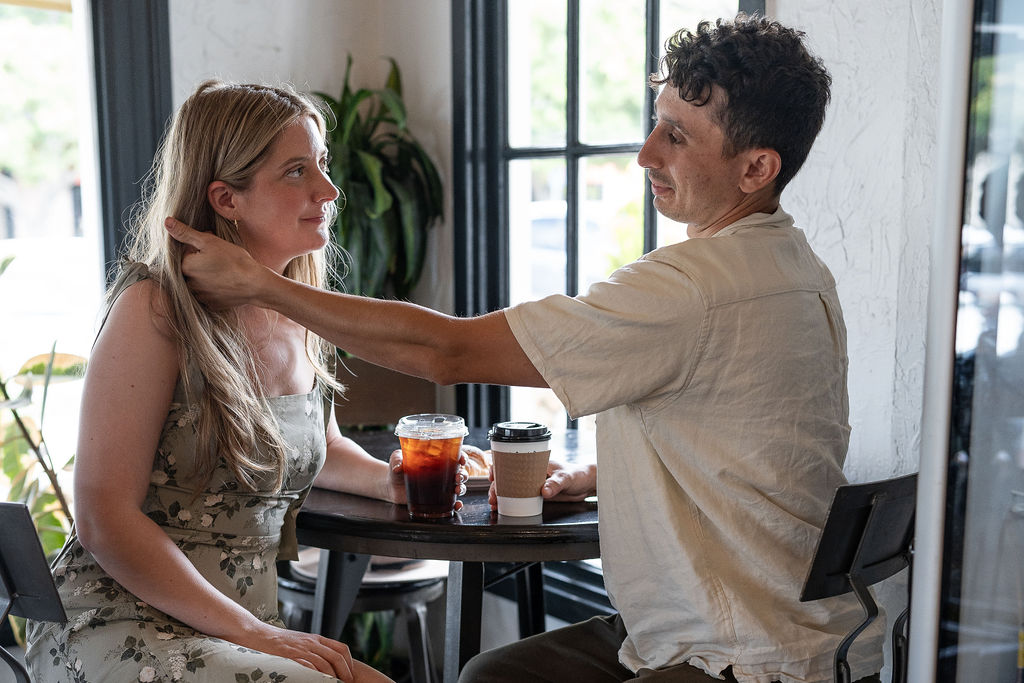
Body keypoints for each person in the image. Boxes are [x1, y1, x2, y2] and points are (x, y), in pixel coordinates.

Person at [166, 15, 884, 683]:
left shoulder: (696, 288)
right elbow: (761, 428)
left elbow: (448, 353)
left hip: (741, 655)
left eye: (676, 137)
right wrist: (610, 470)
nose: (645, 154)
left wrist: (263, 286)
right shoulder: (793, 267)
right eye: (655, 125)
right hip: (803, 634)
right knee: (492, 675)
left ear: (756, 168)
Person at [26, 80, 467, 683]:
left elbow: (319, 446)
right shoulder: (154, 309)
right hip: (122, 617)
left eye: (323, 164)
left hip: (245, 627)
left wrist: (390, 482)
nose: (329, 190)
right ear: (226, 198)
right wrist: (254, 632)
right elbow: (103, 518)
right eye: (295, 171)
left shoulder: (300, 310)